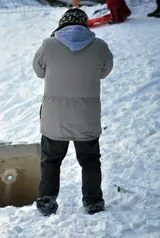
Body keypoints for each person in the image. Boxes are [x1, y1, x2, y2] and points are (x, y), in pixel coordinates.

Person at [32, 9, 113, 216]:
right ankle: (93, 201)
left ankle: (47, 201)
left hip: (55, 118)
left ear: (61, 25)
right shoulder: (100, 46)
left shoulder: (49, 45)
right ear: (86, 24)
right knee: (90, 160)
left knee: (51, 160)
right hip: (86, 117)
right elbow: (105, 71)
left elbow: (39, 71)